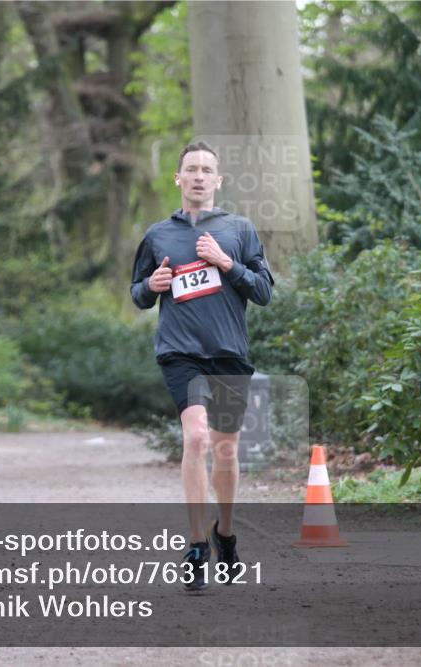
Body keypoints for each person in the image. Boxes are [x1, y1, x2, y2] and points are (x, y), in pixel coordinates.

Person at [130, 140, 274, 591]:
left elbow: (264, 291)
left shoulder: (239, 229)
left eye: (205, 169)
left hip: (229, 353)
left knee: (226, 449)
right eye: (190, 168)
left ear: (218, 180)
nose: (197, 175)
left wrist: (226, 263)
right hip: (181, 353)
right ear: (178, 178)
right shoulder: (158, 235)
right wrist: (152, 285)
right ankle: (196, 545)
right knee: (195, 438)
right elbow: (137, 293)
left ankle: (225, 535)